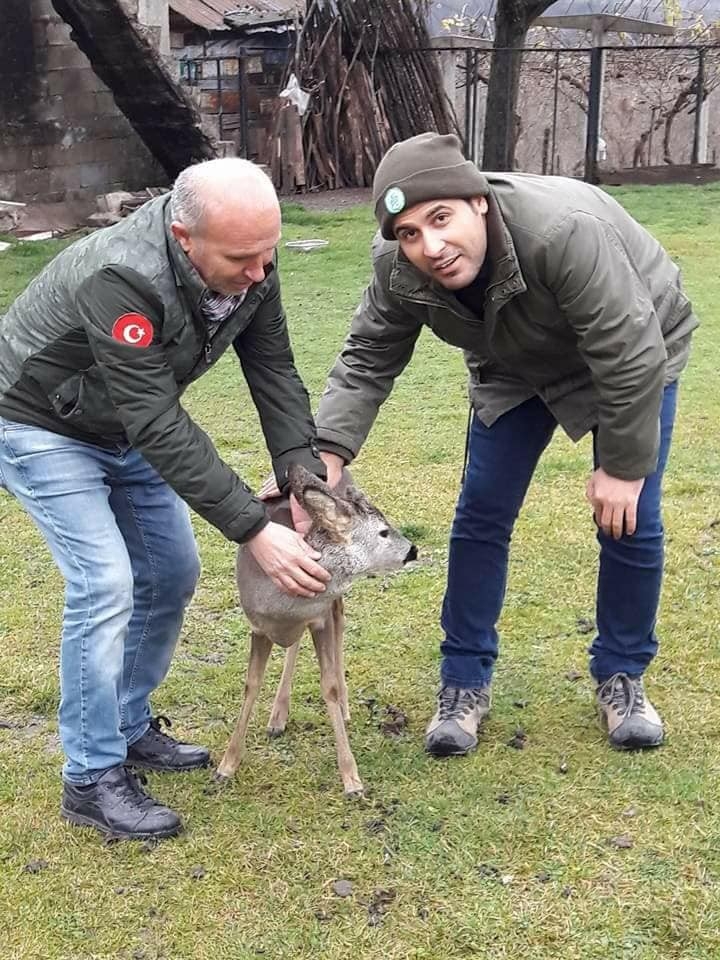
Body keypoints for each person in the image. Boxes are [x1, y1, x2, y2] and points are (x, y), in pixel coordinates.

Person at [311, 132, 698, 758]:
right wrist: (326, 451)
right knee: (482, 513)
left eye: (441, 219)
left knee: (631, 517)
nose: (429, 247)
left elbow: (628, 350)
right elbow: (366, 359)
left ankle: (622, 674)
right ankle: (463, 681)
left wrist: (622, 468)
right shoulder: (398, 269)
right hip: (512, 362)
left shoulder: (562, 231)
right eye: (408, 233)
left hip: (635, 346)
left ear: (478, 201)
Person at [0, 158, 331, 840]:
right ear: (184, 238)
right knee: (105, 583)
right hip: (40, 422)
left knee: (172, 572)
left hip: (123, 423)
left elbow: (272, 366)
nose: (260, 274)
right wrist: (252, 527)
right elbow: (156, 420)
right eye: (242, 258)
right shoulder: (120, 276)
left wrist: (302, 476)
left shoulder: (251, 264)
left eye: (268, 254)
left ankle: (124, 723)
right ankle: (90, 778)